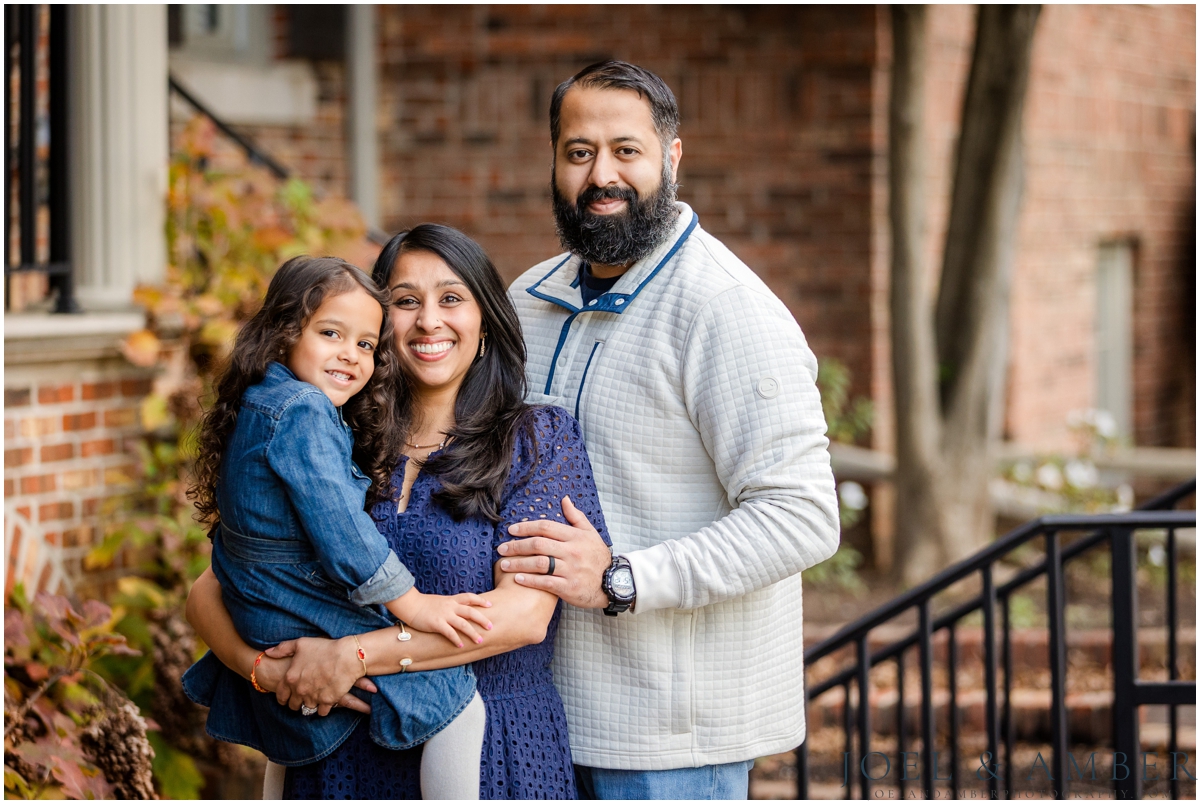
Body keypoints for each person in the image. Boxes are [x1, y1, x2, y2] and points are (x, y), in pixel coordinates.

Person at [495, 60, 841, 799]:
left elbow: (802, 515)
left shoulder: (726, 309)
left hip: (672, 743)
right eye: (579, 152)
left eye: (627, 150)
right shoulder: (525, 301)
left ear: (671, 157)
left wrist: (622, 578)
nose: (602, 176)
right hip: (536, 718)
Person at [186, 225, 611, 799]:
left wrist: (351, 656)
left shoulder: (536, 441)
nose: (429, 321)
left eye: (451, 298)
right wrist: (268, 671)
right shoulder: (335, 437)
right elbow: (213, 589)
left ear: (485, 321)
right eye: (406, 301)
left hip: (492, 751)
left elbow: (521, 617)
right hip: (336, 753)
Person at [180, 255, 493, 799]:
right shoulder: (303, 411)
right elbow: (344, 533)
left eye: (366, 344)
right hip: (294, 601)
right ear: (284, 334)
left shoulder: (256, 403)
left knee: (298, 732)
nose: (351, 354)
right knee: (456, 703)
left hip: (259, 611)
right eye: (331, 333)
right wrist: (415, 606)